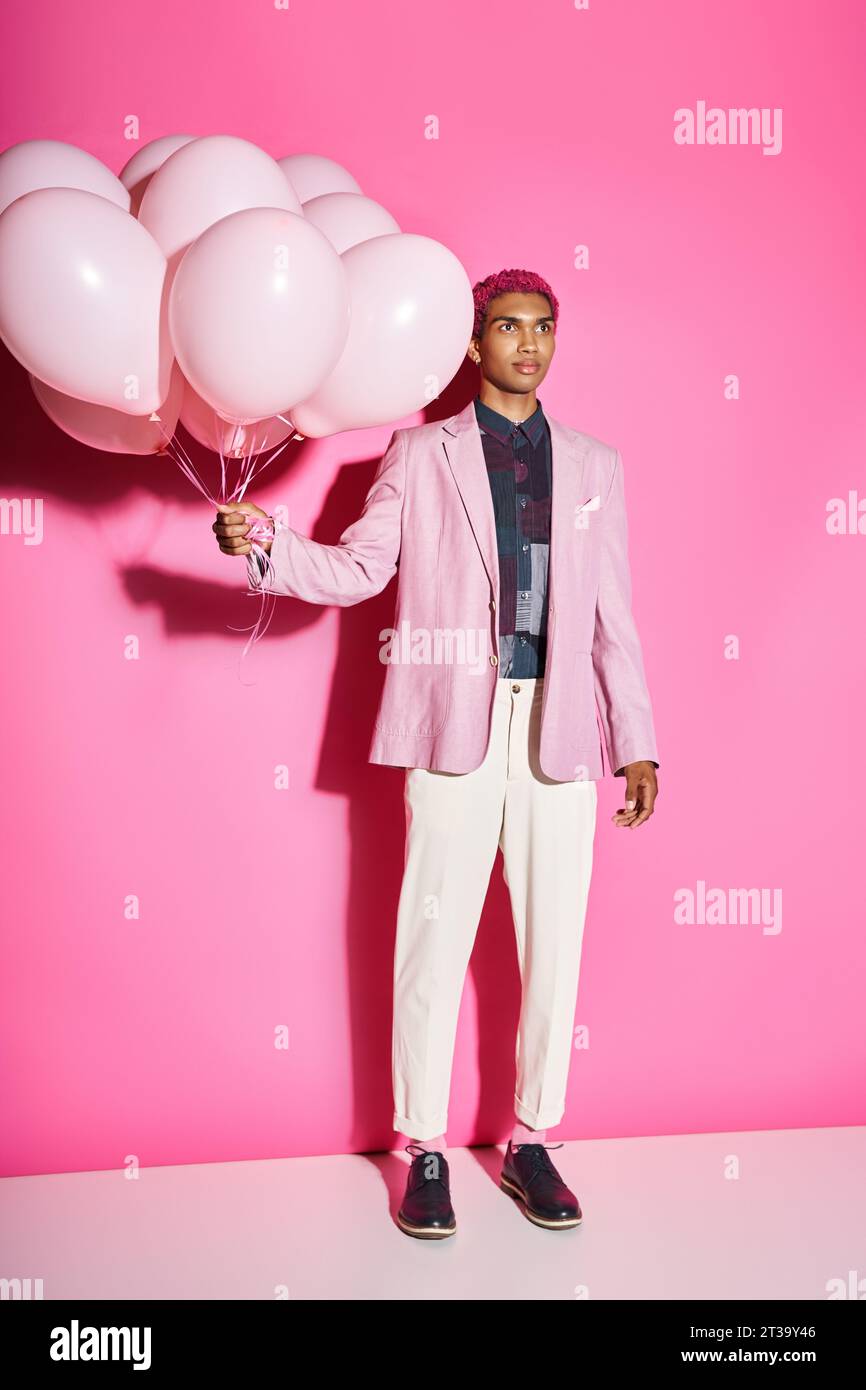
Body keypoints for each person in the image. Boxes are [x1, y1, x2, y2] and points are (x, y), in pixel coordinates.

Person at [213, 268, 660, 1239]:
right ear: (473, 344)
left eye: (542, 327)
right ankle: (421, 1148)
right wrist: (268, 544)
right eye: (507, 327)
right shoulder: (420, 456)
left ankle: (531, 1138)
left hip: (560, 726)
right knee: (431, 941)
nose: (528, 344)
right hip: (452, 725)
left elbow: (610, 618)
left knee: (555, 945)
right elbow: (362, 566)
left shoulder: (593, 465)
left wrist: (636, 742)